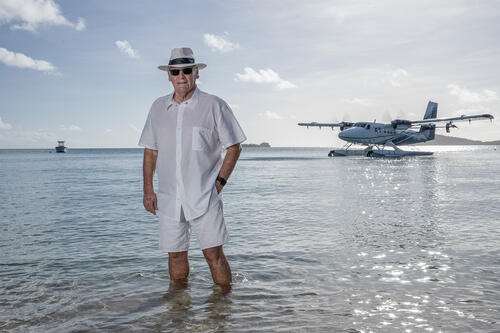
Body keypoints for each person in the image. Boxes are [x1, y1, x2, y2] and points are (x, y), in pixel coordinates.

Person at [139, 48, 246, 289]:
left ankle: (222, 311)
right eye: (175, 71)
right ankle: (179, 311)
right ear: (169, 75)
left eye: (187, 70)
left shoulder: (214, 105)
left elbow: (234, 147)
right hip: (168, 197)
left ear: (196, 73)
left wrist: (219, 184)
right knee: (175, 255)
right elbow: (150, 150)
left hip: (204, 194)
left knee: (213, 255)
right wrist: (148, 189)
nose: (181, 76)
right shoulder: (157, 107)